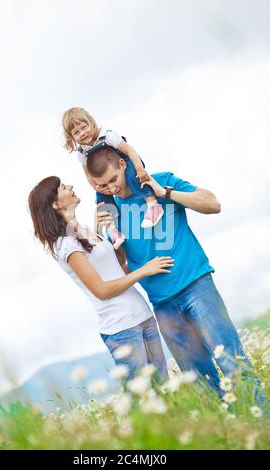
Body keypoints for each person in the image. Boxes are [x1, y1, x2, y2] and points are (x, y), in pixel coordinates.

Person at [86, 145, 268, 407]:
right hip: (162, 305)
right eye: (103, 185)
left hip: (197, 287)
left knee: (233, 363)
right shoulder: (111, 211)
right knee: (200, 383)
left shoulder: (159, 182)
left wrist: (165, 193)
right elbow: (121, 267)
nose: (111, 188)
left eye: (113, 179)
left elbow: (212, 204)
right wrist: (100, 229)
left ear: (123, 165)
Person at [28, 176, 173, 384]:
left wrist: (107, 232)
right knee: (142, 399)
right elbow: (101, 290)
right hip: (121, 328)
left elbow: (116, 268)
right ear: (56, 204)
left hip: (142, 315)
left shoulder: (84, 230)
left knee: (166, 390)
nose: (70, 186)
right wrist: (143, 271)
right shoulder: (65, 245)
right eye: (63, 187)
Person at [61, 107, 164, 250]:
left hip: (126, 162)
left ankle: (153, 205)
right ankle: (113, 230)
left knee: (132, 178)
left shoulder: (107, 136)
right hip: (104, 175)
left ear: (92, 123)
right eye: (76, 133)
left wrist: (139, 169)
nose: (82, 133)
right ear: (72, 138)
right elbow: (88, 174)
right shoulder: (81, 152)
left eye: (84, 127)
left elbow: (129, 150)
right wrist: (97, 187)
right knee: (101, 198)